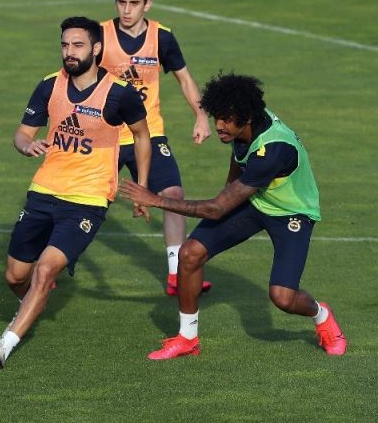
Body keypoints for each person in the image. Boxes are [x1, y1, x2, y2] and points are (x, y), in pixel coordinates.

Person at [121, 73, 347, 360]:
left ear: (247, 118)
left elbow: (216, 209)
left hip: (292, 213)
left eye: (226, 120)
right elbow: (239, 156)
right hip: (256, 199)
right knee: (189, 254)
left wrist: (155, 199)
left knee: (283, 297)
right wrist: (229, 189)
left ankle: (322, 315)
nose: (219, 126)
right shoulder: (243, 123)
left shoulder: (273, 150)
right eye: (217, 117)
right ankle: (187, 338)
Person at [0, 17, 152, 369]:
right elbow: (22, 133)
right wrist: (26, 145)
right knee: (15, 276)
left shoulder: (120, 93)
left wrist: (142, 188)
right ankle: (33, 303)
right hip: (44, 190)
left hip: (87, 199)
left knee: (45, 270)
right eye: (65, 45)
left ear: (96, 49)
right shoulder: (49, 85)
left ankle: (4, 345)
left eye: (77, 45)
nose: (69, 52)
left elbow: (141, 135)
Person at [100, 0, 212, 297]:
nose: (127, 10)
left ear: (147, 4)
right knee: (79, 201)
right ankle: (41, 263)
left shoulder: (161, 37)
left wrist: (201, 116)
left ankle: (177, 274)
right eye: (121, 2)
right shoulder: (99, 36)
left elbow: (185, 79)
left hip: (148, 134)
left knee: (173, 195)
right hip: (105, 136)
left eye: (134, 3)